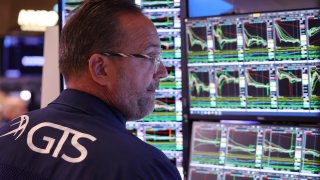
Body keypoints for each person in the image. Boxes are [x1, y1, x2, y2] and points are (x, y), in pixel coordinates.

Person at [0, 0, 181, 179]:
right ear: (100, 69)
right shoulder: (142, 167)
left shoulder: (8, 135)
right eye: (150, 57)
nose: (162, 72)